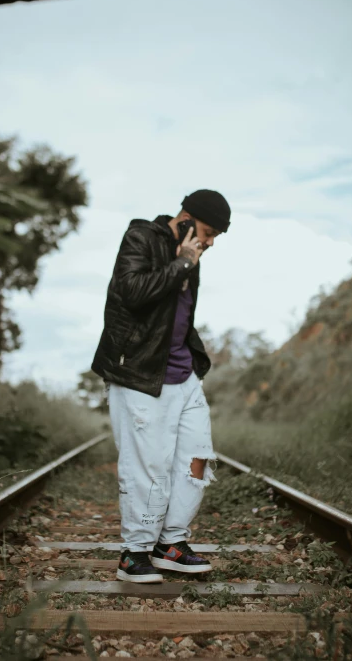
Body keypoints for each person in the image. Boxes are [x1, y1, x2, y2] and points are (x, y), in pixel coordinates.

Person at [91, 189, 231, 583]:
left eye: (217, 235)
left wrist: (195, 357)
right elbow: (131, 293)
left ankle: (170, 543)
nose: (210, 242)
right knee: (146, 466)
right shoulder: (141, 238)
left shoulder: (193, 258)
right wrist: (182, 263)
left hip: (183, 376)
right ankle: (133, 553)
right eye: (208, 231)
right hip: (139, 374)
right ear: (186, 219)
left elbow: (178, 315)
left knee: (197, 459)